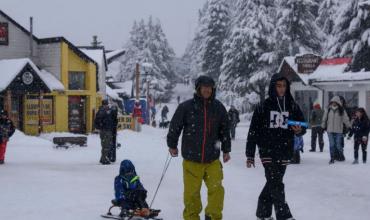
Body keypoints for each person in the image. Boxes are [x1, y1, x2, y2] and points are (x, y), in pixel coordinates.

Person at [167, 75, 231, 220]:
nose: (207, 90)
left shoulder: (218, 108)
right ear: (198, 89)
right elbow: (175, 126)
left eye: (210, 87)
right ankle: (191, 217)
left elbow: (225, 130)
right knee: (191, 194)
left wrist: (226, 150)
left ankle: (212, 216)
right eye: (204, 87)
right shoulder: (186, 107)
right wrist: (172, 144)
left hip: (212, 159)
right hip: (191, 159)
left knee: (217, 190)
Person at [246, 73, 306, 220]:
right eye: (278, 86)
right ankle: (284, 215)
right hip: (267, 150)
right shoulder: (263, 106)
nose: (281, 89)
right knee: (275, 183)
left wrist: (300, 130)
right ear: (273, 86)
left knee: (274, 183)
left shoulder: (292, 105)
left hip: (285, 150)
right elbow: (253, 131)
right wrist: (250, 154)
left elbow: (303, 125)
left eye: (284, 86)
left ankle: (263, 213)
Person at [321, 96, 351, 164]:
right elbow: (324, 118)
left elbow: (345, 119)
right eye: (332, 102)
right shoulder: (328, 109)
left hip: (338, 130)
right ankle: (332, 158)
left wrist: (349, 126)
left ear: (338, 102)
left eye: (335, 102)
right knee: (332, 145)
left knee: (338, 145)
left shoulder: (341, 110)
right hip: (330, 130)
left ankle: (341, 155)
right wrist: (323, 127)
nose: (334, 103)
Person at [94, 100, 117, 165]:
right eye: (107, 104)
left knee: (104, 145)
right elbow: (112, 119)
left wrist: (100, 127)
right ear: (106, 104)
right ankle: (104, 159)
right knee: (107, 145)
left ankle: (102, 158)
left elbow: (96, 121)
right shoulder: (107, 111)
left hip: (102, 131)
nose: (107, 105)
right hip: (107, 130)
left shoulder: (99, 111)